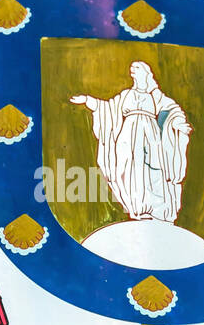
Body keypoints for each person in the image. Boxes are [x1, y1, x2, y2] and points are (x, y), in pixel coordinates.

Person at [70, 61, 192, 223]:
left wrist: (177, 123)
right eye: (132, 69)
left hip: (150, 136)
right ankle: (137, 208)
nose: (133, 72)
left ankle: (155, 208)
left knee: (153, 170)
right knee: (127, 170)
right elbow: (107, 109)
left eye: (137, 69)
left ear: (146, 74)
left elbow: (172, 111)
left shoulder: (155, 95)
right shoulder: (126, 95)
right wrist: (88, 100)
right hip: (127, 137)